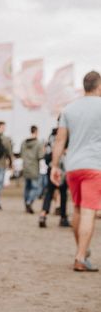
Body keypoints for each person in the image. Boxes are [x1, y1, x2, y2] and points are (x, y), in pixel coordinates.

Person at [51, 70, 101, 272]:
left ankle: (82, 250)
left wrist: (54, 165)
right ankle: (80, 256)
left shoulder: (69, 109)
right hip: (94, 165)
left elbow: (60, 140)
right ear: (99, 87)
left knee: (78, 210)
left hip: (73, 166)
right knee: (89, 211)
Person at [38, 123, 70, 228]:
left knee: (49, 192)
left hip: (51, 167)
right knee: (63, 193)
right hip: (62, 168)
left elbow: (46, 152)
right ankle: (63, 218)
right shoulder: (66, 135)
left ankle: (43, 214)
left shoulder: (51, 135)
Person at [20, 126, 44, 213]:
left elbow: (21, 153)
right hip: (34, 167)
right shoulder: (38, 143)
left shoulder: (24, 142)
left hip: (25, 166)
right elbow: (40, 156)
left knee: (27, 187)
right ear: (36, 131)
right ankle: (29, 202)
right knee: (35, 188)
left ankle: (26, 203)